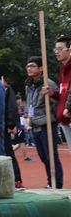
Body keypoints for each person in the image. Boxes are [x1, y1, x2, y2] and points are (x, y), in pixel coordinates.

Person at [26, 56, 64, 188]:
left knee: (51, 157)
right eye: (28, 66)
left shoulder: (48, 84)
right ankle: (50, 182)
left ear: (41, 68)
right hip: (35, 125)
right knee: (44, 157)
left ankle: (57, 184)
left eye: (32, 66)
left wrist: (53, 120)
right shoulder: (29, 85)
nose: (29, 69)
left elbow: (56, 103)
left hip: (47, 125)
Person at [0, 65, 26, 190]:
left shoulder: (5, 88)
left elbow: (11, 107)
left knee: (8, 153)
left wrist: (11, 124)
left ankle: (17, 180)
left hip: (2, 126)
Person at [46, 36, 71, 149]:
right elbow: (63, 94)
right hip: (64, 119)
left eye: (60, 49)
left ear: (69, 50)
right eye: (55, 49)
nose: (57, 52)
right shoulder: (62, 69)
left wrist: (69, 107)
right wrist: (53, 93)